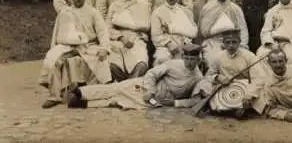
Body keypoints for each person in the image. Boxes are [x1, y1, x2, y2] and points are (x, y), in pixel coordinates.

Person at [39, 0, 111, 109]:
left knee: (98, 61)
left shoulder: (93, 12)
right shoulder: (65, 13)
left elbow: (102, 32)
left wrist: (104, 48)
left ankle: (88, 92)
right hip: (68, 46)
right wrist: (55, 48)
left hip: (89, 46)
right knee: (56, 61)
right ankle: (55, 96)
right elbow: (57, 34)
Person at [66, 44, 204, 110]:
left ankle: (80, 103)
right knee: (115, 88)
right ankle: (79, 92)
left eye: (193, 59)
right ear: (183, 57)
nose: (189, 62)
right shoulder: (174, 64)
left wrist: (175, 103)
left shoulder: (198, 77)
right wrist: (150, 91)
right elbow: (151, 73)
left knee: (117, 102)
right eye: (187, 58)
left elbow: (195, 100)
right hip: (146, 86)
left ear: (198, 60)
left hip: (158, 101)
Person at [193, 29, 261, 118]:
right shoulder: (218, 56)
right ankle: (228, 109)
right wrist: (218, 77)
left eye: (234, 42)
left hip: (244, 89)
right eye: (228, 42)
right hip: (225, 87)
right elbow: (208, 76)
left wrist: (248, 96)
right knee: (202, 84)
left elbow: (258, 79)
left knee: (261, 93)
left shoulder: (249, 56)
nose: (231, 45)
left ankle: (236, 109)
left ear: (239, 42)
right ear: (223, 43)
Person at [106, 0, 150, 82]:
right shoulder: (115, 5)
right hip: (118, 40)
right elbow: (107, 27)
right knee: (112, 65)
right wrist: (121, 37)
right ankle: (124, 83)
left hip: (137, 39)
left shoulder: (143, 5)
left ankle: (130, 84)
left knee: (141, 63)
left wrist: (134, 35)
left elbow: (146, 26)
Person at [198, 0, 249, 67]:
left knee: (241, 62)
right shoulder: (207, 8)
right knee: (213, 61)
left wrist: (242, 44)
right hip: (213, 42)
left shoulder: (235, 9)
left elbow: (243, 28)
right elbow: (202, 30)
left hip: (232, 41)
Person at [151, 0, 198, 66]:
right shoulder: (157, 12)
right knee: (162, 58)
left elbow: (193, 32)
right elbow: (156, 35)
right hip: (165, 45)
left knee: (193, 59)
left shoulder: (186, 11)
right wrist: (169, 44)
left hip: (184, 43)